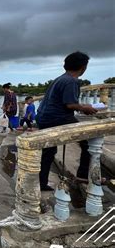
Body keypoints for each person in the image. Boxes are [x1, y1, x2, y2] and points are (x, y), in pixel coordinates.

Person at [36, 51, 98, 191]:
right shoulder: (72, 81)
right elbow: (70, 104)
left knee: (48, 151)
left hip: (44, 117)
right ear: (83, 67)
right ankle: (83, 175)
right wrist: (85, 108)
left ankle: (42, 182)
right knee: (89, 141)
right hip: (58, 117)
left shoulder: (60, 79)